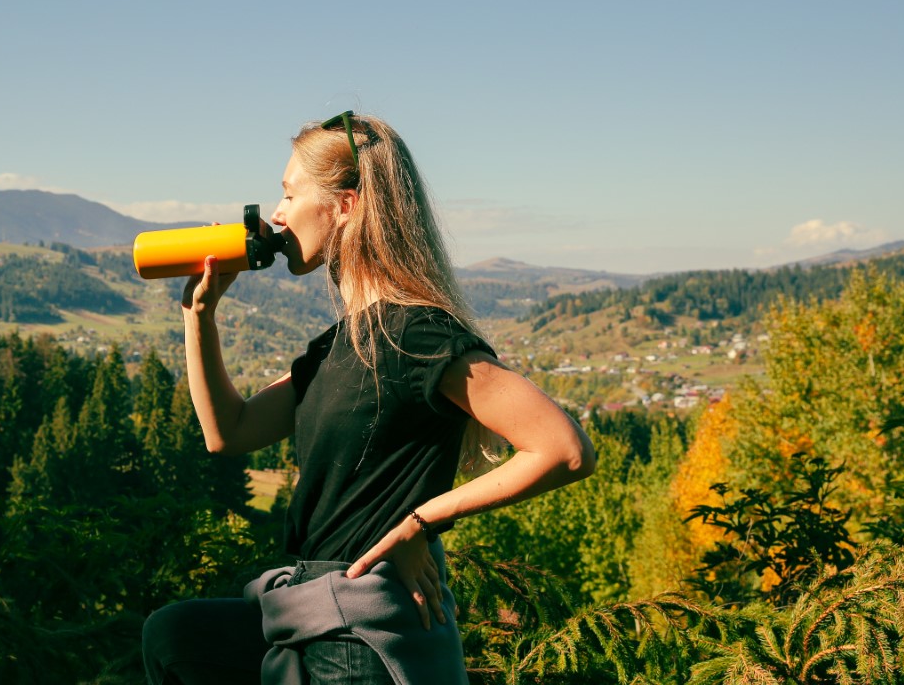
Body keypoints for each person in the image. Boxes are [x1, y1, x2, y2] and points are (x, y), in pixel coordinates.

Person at [142, 111, 596, 684]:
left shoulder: (416, 334)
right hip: (306, 612)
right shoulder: (337, 347)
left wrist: (419, 523)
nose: (276, 214)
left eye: (288, 194)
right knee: (174, 637)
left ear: (346, 205)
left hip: (361, 635)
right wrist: (199, 315)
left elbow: (563, 448)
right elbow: (228, 432)